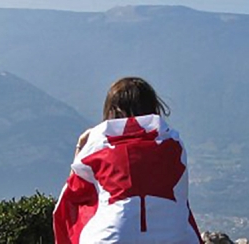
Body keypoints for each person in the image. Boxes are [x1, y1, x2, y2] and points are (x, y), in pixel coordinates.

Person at [53, 77, 202, 244]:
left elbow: (73, 195)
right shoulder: (173, 142)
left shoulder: (98, 143)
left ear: (112, 110)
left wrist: (80, 146)